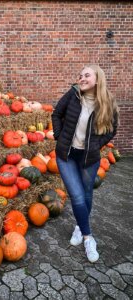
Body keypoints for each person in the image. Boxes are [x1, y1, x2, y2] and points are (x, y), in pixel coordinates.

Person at [51, 64, 119, 263]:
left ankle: (80, 227)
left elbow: (112, 129)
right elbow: (56, 114)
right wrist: (59, 135)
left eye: (86, 75)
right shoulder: (72, 95)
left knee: (87, 193)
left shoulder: (107, 102)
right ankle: (89, 238)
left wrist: (97, 144)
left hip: (89, 157)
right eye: (80, 75)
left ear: (97, 79)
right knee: (77, 196)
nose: (81, 78)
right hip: (67, 155)